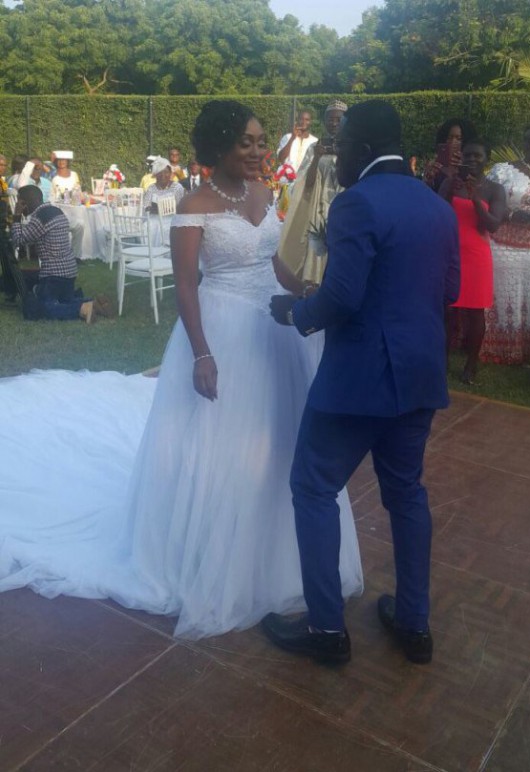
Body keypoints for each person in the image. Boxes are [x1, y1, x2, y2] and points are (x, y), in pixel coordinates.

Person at [0, 101, 363, 639]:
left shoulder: (266, 195)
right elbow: (188, 284)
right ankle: (212, 556)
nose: (259, 151)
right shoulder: (193, 203)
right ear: (217, 146)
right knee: (221, 446)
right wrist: (202, 353)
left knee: (277, 442)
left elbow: (276, 263)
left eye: (262, 141)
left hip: (276, 332)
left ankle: (280, 556)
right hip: (223, 331)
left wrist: (307, 291)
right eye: (247, 142)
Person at [263, 100, 460, 666]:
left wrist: (296, 312)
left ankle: (327, 630)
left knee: (313, 485)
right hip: (420, 375)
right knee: (406, 493)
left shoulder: (357, 203)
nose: (337, 153)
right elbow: (448, 290)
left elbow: (343, 296)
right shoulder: (436, 207)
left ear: (367, 149)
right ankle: (415, 625)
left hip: (359, 380)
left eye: (344, 144)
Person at [439, 140, 506, 384]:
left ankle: (471, 365)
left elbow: (493, 225)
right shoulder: (450, 183)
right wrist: (449, 188)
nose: (473, 160)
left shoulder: (494, 189)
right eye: (468, 155)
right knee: (446, 310)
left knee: (474, 313)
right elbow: (436, 213)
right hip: (449, 254)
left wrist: (475, 198)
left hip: (477, 258)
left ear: (486, 159)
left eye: (478, 156)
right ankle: (442, 360)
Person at [483, 124, 530, 364]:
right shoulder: (503, 171)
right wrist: (510, 215)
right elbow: (484, 201)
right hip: (504, 245)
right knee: (504, 293)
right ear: (523, 141)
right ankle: (501, 348)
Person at [10, 185, 108, 322]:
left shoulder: (39, 218)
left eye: (20, 201)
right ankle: (93, 303)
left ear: (25, 202)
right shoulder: (56, 211)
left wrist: (16, 216)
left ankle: (82, 309)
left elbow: (19, 240)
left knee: (43, 307)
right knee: (63, 300)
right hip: (69, 272)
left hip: (53, 276)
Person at [278, 101, 347, 285]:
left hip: (344, 208)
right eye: (330, 119)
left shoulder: (352, 147)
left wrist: (341, 153)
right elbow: (306, 184)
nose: (334, 123)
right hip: (319, 210)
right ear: (324, 121)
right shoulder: (314, 147)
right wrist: (317, 156)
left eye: (338, 120)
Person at [423, 118, 477, 192]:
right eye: (449, 137)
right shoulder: (435, 167)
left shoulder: (472, 167)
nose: (453, 142)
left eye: (459, 138)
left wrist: (463, 169)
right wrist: (428, 180)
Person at [277, 109, 318, 175]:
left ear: (310, 122)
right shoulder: (287, 137)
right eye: (301, 119)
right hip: (286, 180)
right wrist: (292, 138)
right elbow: (280, 158)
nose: (304, 122)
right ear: (297, 120)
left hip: (304, 181)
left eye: (307, 120)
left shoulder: (315, 141)